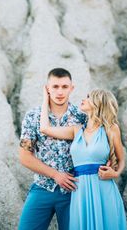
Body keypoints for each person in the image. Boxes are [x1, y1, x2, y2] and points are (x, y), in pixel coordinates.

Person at [40, 88, 127, 230]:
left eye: (88, 97)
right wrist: (46, 99)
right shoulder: (76, 130)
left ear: (98, 103)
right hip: (80, 191)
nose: (83, 99)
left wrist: (115, 173)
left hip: (103, 188)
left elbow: (121, 159)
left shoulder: (111, 128)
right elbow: (44, 128)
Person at [18, 68, 87, 230]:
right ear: (47, 88)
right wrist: (55, 175)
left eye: (64, 86)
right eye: (55, 86)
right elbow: (24, 156)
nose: (60, 91)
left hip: (74, 190)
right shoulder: (33, 116)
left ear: (72, 88)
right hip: (42, 187)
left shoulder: (82, 117)